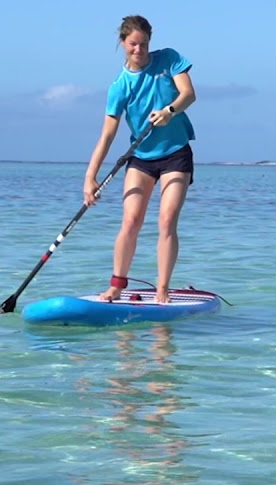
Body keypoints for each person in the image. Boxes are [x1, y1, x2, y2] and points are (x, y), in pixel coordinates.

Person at [84, 15, 196, 304]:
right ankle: (116, 287)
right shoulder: (120, 86)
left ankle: (162, 289)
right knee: (131, 221)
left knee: (167, 220)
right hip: (141, 158)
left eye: (144, 44)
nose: (139, 49)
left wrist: (169, 111)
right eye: (133, 44)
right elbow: (107, 135)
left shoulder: (169, 59)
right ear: (123, 43)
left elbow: (188, 94)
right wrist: (90, 177)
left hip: (176, 154)